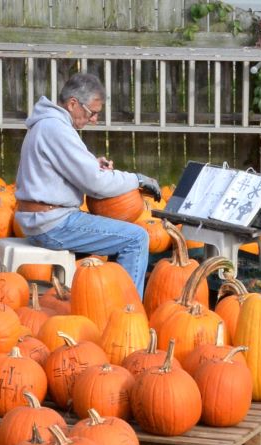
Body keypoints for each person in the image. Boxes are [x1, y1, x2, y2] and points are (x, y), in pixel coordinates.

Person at [14, 71, 160, 299]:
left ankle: (110, 302)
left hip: (41, 218)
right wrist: (137, 179)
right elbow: (96, 184)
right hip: (52, 223)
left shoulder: (49, 125)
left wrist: (93, 164)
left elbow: (71, 169)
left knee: (121, 235)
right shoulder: (56, 129)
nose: (94, 119)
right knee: (136, 239)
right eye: (92, 112)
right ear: (73, 104)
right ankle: (126, 311)